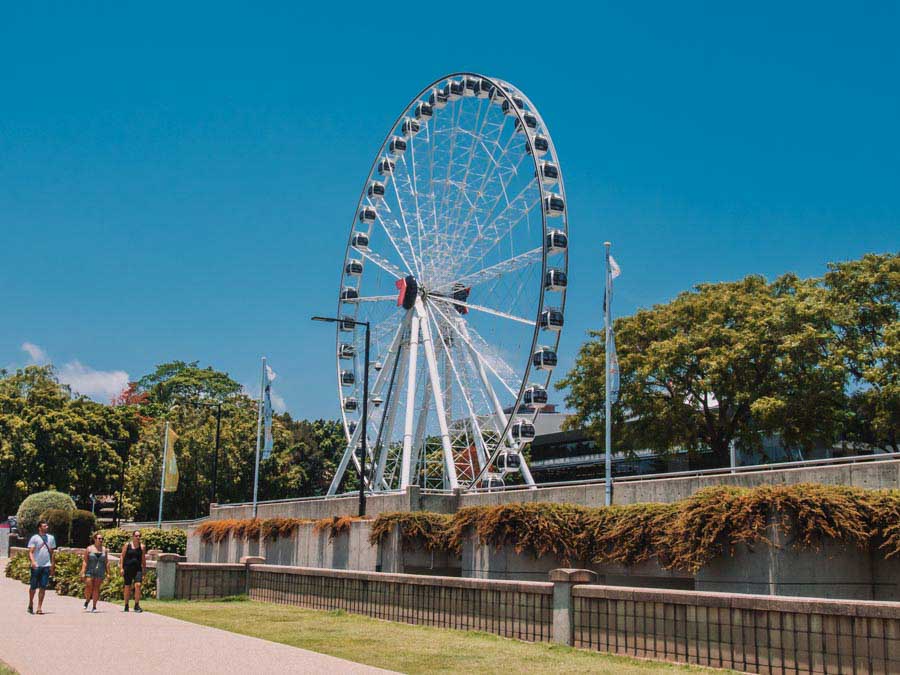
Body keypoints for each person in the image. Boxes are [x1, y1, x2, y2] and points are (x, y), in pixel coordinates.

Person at [27, 520, 56, 615]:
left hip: (46, 565)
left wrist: (52, 565)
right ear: (40, 528)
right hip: (36, 566)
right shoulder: (34, 538)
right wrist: (33, 562)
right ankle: (31, 602)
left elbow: (52, 552)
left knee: (43, 587)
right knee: (33, 587)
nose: (46, 527)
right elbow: (31, 552)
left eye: (47, 525)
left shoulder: (51, 538)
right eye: (44, 526)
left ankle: (39, 607)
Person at [81, 532, 109, 612]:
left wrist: (108, 573)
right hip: (90, 570)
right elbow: (85, 561)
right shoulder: (89, 549)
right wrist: (83, 571)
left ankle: (94, 606)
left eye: (102, 539)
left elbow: (106, 562)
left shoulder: (104, 550)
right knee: (89, 586)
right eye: (99, 538)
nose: (101, 540)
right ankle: (87, 600)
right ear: (95, 539)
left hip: (100, 571)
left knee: (96, 588)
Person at [120, 530, 146, 613]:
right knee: (127, 586)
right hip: (128, 568)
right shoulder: (127, 545)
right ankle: (126, 605)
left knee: (138, 585)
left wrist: (144, 570)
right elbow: (122, 557)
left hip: (137, 569)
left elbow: (143, 559)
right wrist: (121, 568)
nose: (138, 537)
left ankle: (136, 605)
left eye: (139, 536)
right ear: (133, 536)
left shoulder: (142, 547)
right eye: (136, 536)